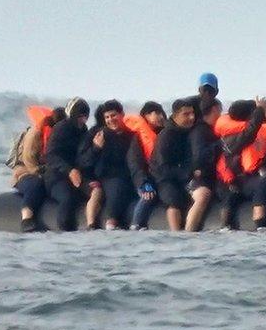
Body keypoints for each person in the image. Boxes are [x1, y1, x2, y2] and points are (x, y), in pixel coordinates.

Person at [152, 99, 213, 231]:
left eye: (192, 113)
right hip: (165, 179)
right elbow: (162, 168)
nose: (191, 117)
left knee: (204, 194)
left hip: (185, 177)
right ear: (175, 116)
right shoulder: (166, 135)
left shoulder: (192, 131)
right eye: (186, 114)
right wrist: (188, 173)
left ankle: (189, 231)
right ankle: (177, 235)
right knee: (174, 202)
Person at [215, 99, 266, 230]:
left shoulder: (228, 130)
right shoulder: (234, 135)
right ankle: (257, 223)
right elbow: (250, 131)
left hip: (241, 178)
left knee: (258, 184)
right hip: (231, 180)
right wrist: (259, 110)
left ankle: (234, 224)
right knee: (256, 186)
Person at [44, 98, 100, 231]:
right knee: (67, 198)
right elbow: (51, 156)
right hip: (56, 177)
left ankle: (92, 226)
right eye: (80, 117)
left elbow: (83, 158)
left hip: (78, 176)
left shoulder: (83, 130)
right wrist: (69, 170)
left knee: (96, 191)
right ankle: (64, 232)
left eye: (85, 117)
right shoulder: (61, 128)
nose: (83, 120)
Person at [79, 100, 136, 230]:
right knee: (115, 187)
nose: (111, 120)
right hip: (104, 177)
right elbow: (82, 161)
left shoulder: (131, 136)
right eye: (107, 117)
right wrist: (95, 148)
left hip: (127, 176)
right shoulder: (97, 134)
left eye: (113, 115)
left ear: (122, 115)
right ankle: (107, 223)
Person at [11, 106, 65, 232]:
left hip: (46, 172)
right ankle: (27, 218)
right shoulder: (35, 134)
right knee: (35, 185)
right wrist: (42, 174)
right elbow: (29, 161)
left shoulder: (57, 136)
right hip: (25, 173)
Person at [125, 101, 166, 230]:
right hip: (144, 179)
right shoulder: (137, 137)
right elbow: (134, 163)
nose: (161, 117)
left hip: (161, 177)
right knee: (148, 197)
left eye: (161, 113)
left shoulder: (164, 134)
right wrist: (143, 183)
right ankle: (136, 224)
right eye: (156, 113)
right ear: (146, 116)